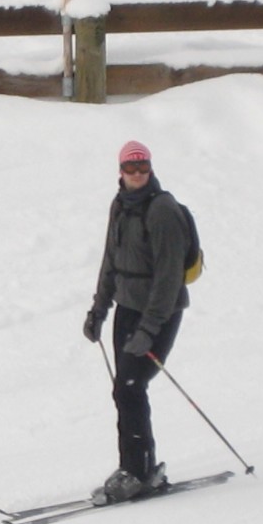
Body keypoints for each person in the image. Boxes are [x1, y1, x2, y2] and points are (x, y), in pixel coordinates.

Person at [83, 140, 193, 503]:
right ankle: (136, 468)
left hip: (160, 310)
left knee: (130, 387)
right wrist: (99, 310)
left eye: (143, 166)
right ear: (120, 171)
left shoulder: (163, 211)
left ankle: (138, 472)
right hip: (128, 307)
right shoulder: (120, 205)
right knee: (124, 389)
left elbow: (169, 277)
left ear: (150, 168)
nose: (137, 173)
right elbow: (110, 261)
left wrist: (150, 328)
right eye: (130, 168)